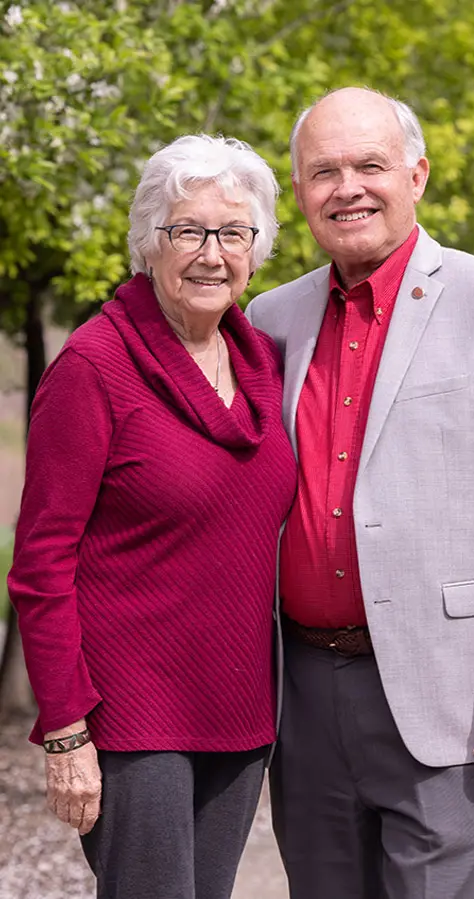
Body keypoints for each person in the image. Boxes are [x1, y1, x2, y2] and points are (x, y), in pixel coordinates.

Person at [243, 87, 474, 898]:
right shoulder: (268, 317)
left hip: (448, 697)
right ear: (299, 193)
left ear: (417, 174)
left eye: (370, 165)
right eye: (324, 171)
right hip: (303, 695)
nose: (347, 187)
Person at [6, 134, 297, 898]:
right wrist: (66, 730)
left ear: (256, 249)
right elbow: (41, 563)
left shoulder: (263, 360)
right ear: (147, 243)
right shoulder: (95, 368)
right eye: (188, 230)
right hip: (133, 716)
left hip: (239, 709)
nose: (211, 253)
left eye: (232, 232)